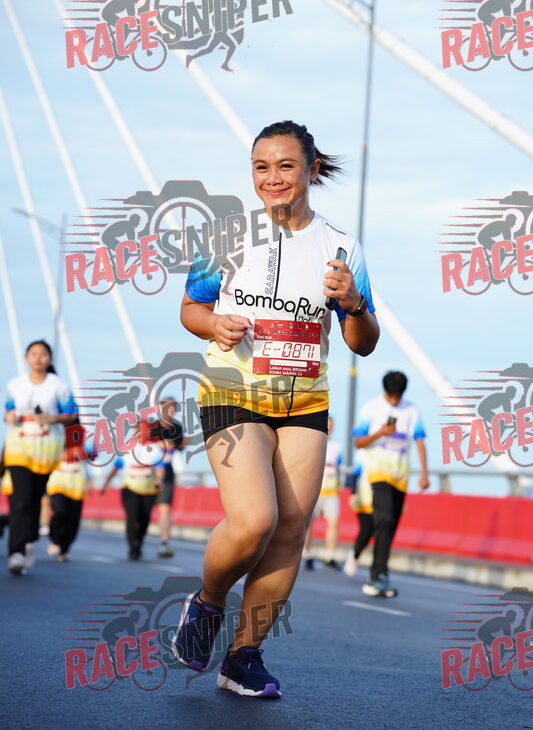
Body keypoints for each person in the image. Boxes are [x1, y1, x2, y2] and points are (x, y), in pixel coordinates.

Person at [176, 120, 379, 698]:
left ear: (311, 170)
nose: (273, 178)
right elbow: (190, 309)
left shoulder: (341, 247)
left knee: (290, 528)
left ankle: (243, 657)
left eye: (286, 166)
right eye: (261, 167)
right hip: (233, 392)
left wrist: (354, 303)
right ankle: (208, 602)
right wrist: (214, 324)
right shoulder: (226, 236)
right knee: (254, 521)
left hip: (305, 400)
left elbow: (363, 341)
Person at [3, 340, 78, 574]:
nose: (38, 358)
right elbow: (8, 410)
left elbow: (71, 414)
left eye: (43, 354)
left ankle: (28, 540)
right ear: (27, 358)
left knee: (35, 499)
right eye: (33, 353)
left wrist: (52, 418)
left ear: (50, 359)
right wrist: (9, 417)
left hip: (46, 448)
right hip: (19, 446)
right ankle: (16, 552)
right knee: (21, 499)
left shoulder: (59, 385)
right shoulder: (15, 384)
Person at [352, 371, 429, 597]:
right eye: (391, 396)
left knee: (391, 524)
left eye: (398, 397)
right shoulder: (371, 408)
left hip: (400, 475)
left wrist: (424, 473)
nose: (394, 401)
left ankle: (380, 575)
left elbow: (420, 440)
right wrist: (380, 433)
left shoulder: (412, 410)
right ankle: (377, 575)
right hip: (378, 473)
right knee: (383, 519)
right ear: (384, 391)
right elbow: (358, 442)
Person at [100, 422, 162, 560]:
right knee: (132, 515)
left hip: (148, 487)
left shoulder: (155, 449)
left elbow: (160, 467)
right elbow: (116, 467)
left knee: (144, 517)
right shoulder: (127, 448)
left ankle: (139, 542)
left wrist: (159, 480)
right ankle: (132, 546)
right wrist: (105, 483)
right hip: (130, 486)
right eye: (138, 429)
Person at [46, 426, 92, 562]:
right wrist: (68, 453)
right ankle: (55, 539)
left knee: (73, 520)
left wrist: (82, 452)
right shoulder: (57, 442)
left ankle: (64, 549)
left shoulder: (84, 448)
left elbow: (94, 454)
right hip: (58, 483)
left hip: (77, 485)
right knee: (60, 511)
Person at [302, 416, 343, 570]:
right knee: (309, 524)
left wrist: (340, 482)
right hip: (314, 489)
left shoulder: (337, 447)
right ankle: (307, 554)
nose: (330, 428)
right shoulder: (312, 442)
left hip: (331, 491)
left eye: (332, 426)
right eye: (328, 425)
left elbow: (338, 466)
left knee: (334, 523)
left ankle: (329, 556)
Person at [154, 397, 185, 558]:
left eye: (173, 407)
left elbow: (179, 447)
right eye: (166, 406)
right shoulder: (151, 427)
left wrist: (183, 443)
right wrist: (158, 445)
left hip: (167, 472)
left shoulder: (177, 428)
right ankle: (136, 541)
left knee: (165, 508)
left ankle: (164, 542)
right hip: (148, 473)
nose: (170, 410)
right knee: (142, 511)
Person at [343, 461, 374, 577]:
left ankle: (377, 568)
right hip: (363, 501)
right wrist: (353, 493)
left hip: (379, 503)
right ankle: (354, 556)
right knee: (366, 530)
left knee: (375, 532)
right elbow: (354, 475)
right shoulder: (363, 457)